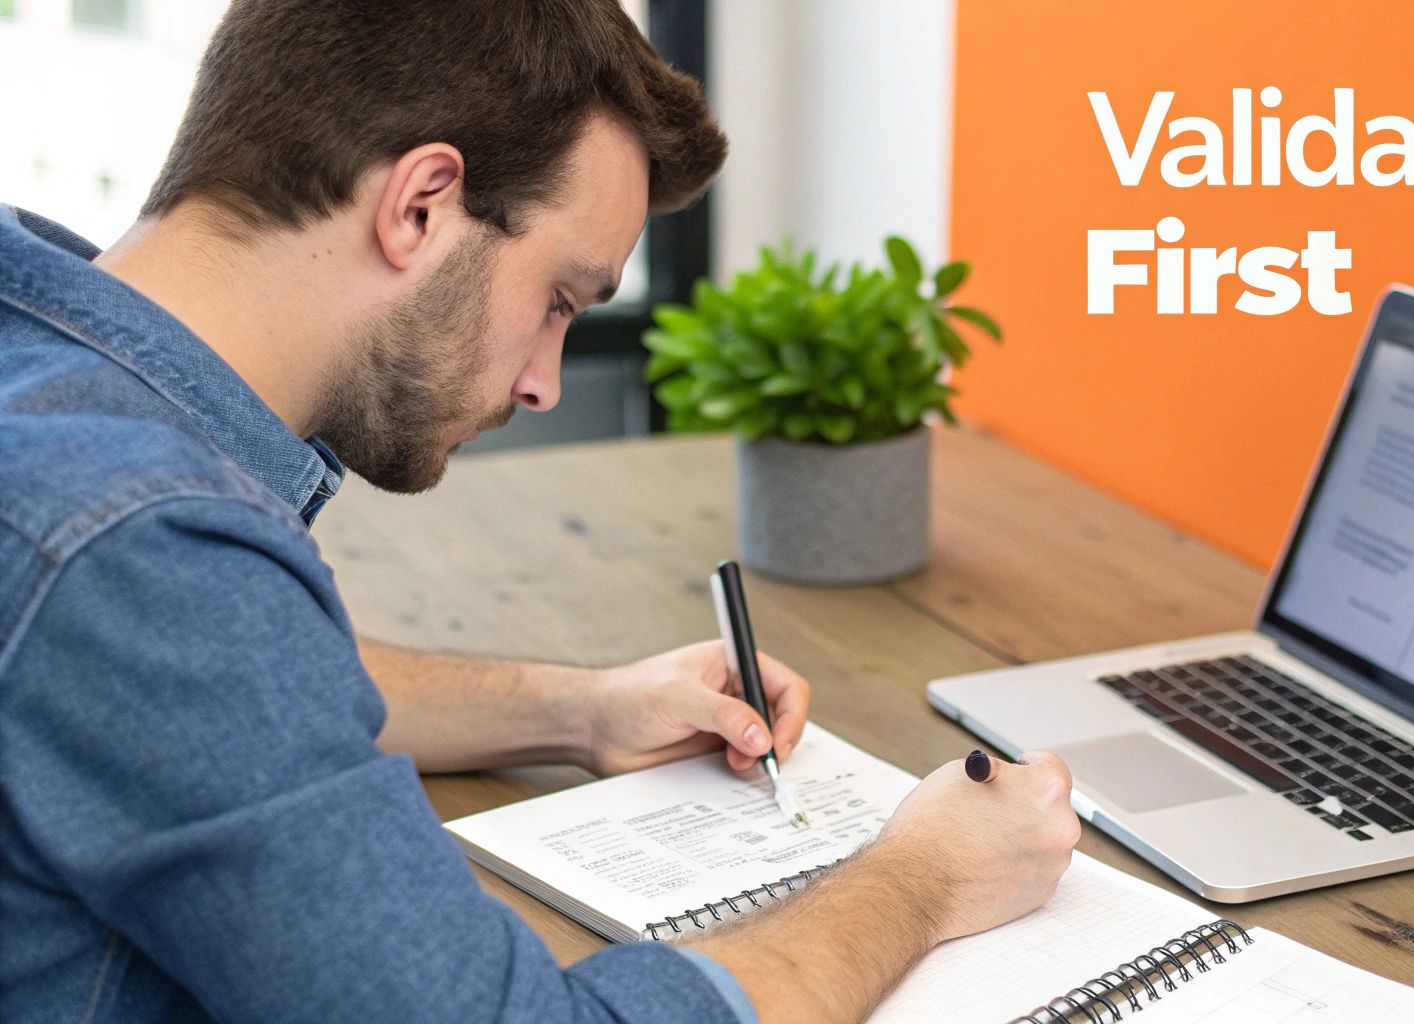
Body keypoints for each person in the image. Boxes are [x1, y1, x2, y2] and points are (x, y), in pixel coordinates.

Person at [0, 2, 1080, 1022]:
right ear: (420, 205)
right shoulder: (138, 545)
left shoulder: (45, 367)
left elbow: (214, 685)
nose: (544, 385)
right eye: (559, 299)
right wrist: (926, 875)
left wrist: (580, 708)